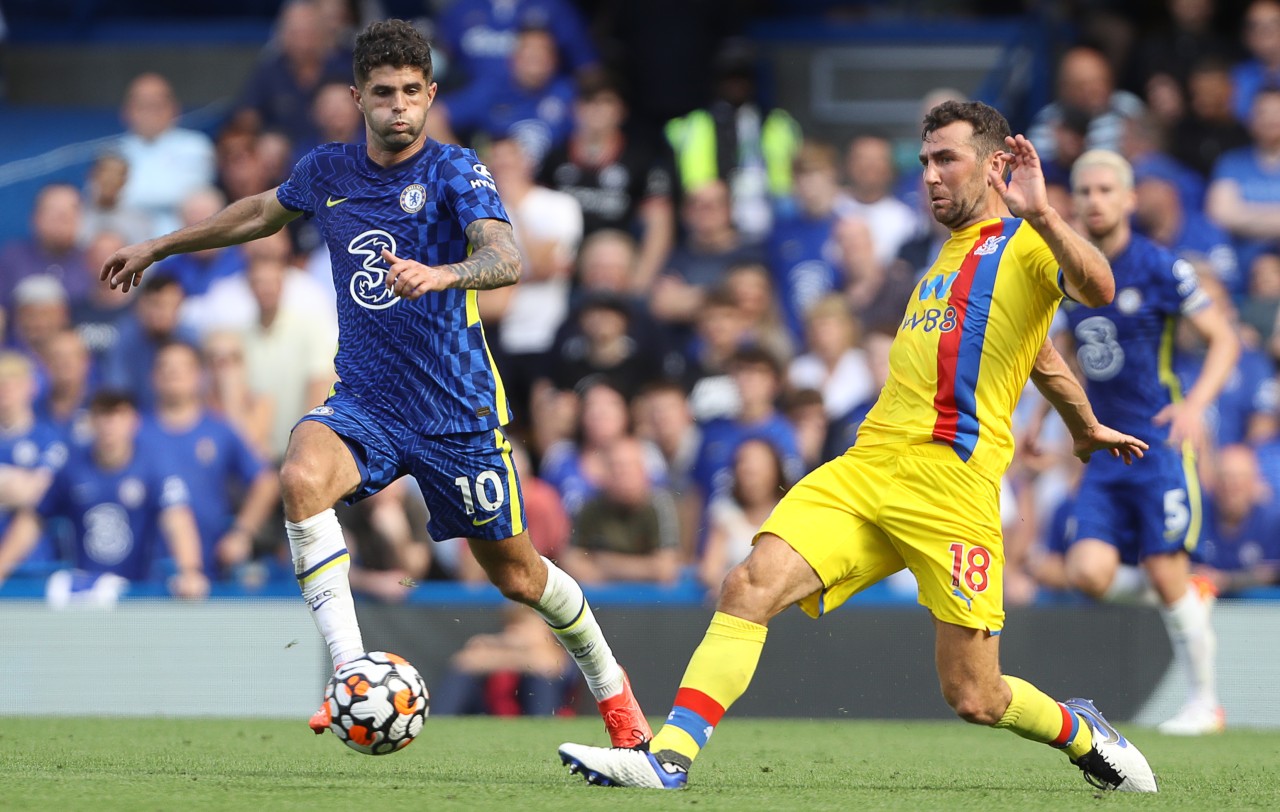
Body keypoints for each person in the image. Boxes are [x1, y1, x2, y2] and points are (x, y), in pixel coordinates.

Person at [556, 101, 1158, 793]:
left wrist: (1046, 215)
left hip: (950, 484)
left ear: (996, 166)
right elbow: (1037, 351)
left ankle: (1080, 728)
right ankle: (668, 758)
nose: (930, 175)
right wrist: (1081, 423)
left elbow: (1100, 288)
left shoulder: (1025, 240)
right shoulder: (947, 255)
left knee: (974, 696)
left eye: (946, 160)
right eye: (926, 160)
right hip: (868, 468)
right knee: (748, 584)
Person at [100, 19, 650, 749]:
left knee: (519, 578)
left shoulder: (456, 171)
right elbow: (263, 211)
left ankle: (619, 701)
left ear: (428, 95)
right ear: (357, 96)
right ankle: (351, 671)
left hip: (457, 414)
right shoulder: (328, 171)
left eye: (412, 92)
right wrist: (161, 244)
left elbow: (506, 254)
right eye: (383, 93)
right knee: (300, 476)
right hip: (366, 402)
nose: (399, 106)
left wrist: (444, 273)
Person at [1058, 149, 1239, 736]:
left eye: (1107, 190)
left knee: (1163, 570)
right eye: (1085, 191)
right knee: (1087, 573)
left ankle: (1206, 704)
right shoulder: (1067, 272)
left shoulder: (1162, 267)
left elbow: (1224, 340)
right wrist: (1043, 423)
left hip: (1158, 446)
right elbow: (1060, 354)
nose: (1095, 200)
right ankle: (1189, 595)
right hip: (1105, 453)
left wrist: (1193, 405)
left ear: (1130, 199)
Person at [0, 391, 207, 599]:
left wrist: (190, 571)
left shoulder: (153, 469)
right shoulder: (72, 469)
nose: (109, 426)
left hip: (137, 593)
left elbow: (177, 519)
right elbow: (33, 519)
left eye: (117, 416)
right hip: (86, 595)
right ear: (91, 421)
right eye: (102, 416)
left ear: (133, 421)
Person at [115, 73, 216, 238]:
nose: (149, 113)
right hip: (126, 241)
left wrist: (132, 197)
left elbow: (191, 194)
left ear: (174, 109)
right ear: (126, 111)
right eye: (142, 105)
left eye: (157, 105)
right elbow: (102, 202)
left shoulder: (195, 145)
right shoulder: (114, 152)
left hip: (182, 241)